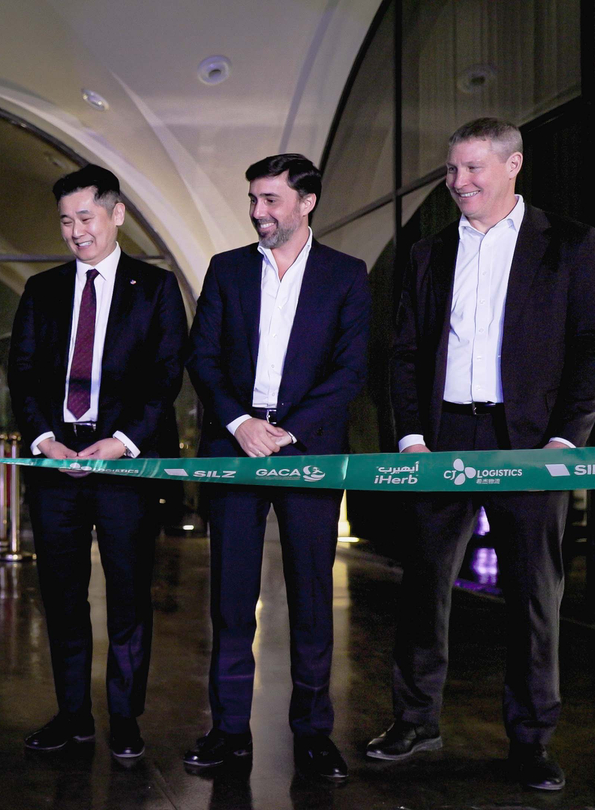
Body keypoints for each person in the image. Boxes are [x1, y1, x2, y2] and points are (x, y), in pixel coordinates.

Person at [373, 117, 595, 792]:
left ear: (513, 166)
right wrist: (412, 436)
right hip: (443, 439)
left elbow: (593, 345)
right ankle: (415, 720)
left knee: (534, 597)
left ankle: (532, 741)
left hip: (532, 444)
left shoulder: (569, 243)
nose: (459, 182)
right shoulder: (427, 253)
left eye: (474, 168)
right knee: (422, 588)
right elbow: (407, 353)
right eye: (452, 170)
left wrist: (566, 440)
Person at [183, 154, 369, 782]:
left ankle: (314, 735)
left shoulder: (347, 274)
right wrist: (240, 423)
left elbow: (350, 371)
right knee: (232, 601)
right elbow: (202, 357)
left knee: (314, 600)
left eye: (270, 200)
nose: (258, 213)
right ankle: (228, 731)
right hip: (236, 448)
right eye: (254, 201)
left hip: (308, 452)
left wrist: (287, 430)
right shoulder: (226, 270)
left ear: (306, 201)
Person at [8, 164, 186, 760]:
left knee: (130, 594)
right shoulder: (42, 290)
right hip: (56, 465)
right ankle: (72, 714)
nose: (75, 231)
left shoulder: (156, 289)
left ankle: (125, 716)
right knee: (61, 595)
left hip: (125, 467)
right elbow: (24, 374)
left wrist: (122, 441)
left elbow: (165, 377)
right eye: (65, 220)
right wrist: (43, 441)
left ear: (117, 214)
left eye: (85, 216)